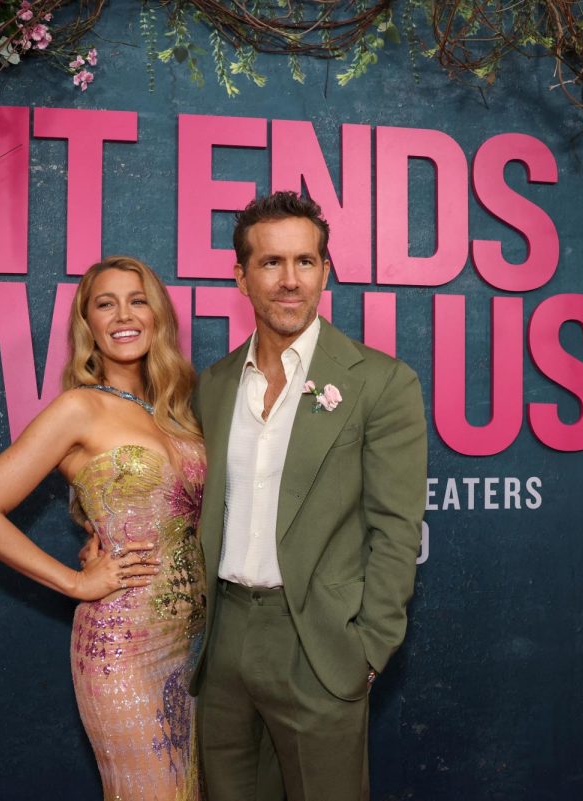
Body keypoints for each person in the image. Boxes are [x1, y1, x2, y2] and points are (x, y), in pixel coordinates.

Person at [190, 191, 428, 801]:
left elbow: (396, 530)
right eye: (270, 263)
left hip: (318, 647)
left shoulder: (380, 383)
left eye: (305, 261)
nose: (289, 281)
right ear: (240, 276)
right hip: (223, 642)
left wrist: (368, 651)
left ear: (326, 270)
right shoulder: (213, 386)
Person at [0, 256, 206, 801]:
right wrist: (75, 583)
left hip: (193, 647)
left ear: (158, 315)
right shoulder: (78, 409)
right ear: (87, 324)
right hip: (122, 644)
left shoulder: (178, 413)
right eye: (105, 303)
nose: (123, 314)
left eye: (137, 300)